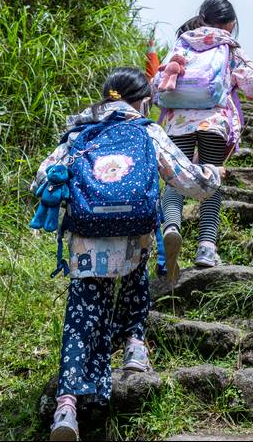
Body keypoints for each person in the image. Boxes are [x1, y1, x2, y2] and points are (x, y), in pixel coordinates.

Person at [30, 67, 224, 441]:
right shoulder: (148, 131)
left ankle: (66, 407)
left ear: (106, 97)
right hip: (133, 234)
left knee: (82, 314)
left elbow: (40, 181)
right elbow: (188, 181)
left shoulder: (79, 133)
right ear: (144, 101)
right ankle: (135, 348)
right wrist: (216, 173)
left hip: (88, 239)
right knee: (136, 278)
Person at [156, 0, 253, 279]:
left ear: (201, 17)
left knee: (174, 178)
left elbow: (158, 84)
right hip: (214, 123)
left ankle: (171, 227)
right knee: (212, 180)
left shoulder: (182, 42)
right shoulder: (229, 47)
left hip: (177, 122)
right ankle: (206, 248)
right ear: (231, 24)